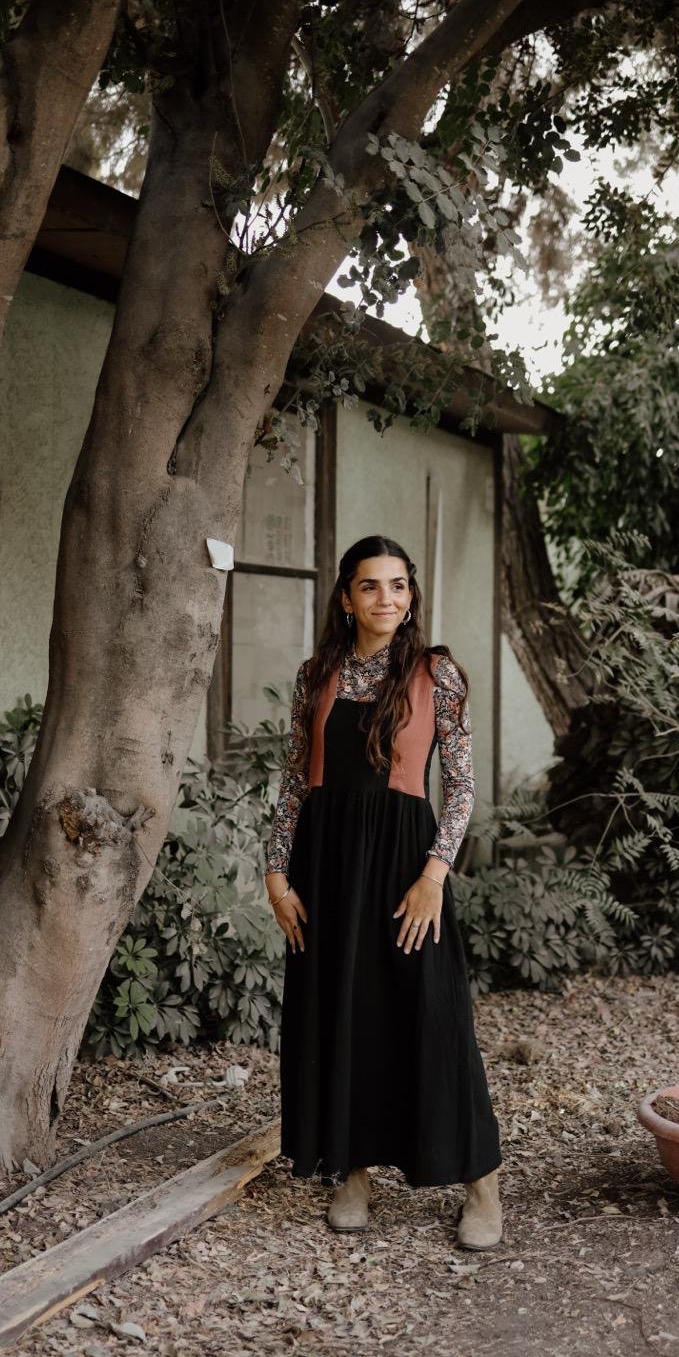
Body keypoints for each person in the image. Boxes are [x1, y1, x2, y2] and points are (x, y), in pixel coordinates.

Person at [264, 534, 503, 1249]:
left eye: (398, 585)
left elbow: (461, 786)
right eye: (370, 586)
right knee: (344, 1010)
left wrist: (433, 875)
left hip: (405, 865)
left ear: (411, 595)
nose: (386, 598)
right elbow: (292, 781)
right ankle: (353, 1171)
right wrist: (275, 872)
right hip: (327, 863)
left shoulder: (436, 673)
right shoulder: (317, 674)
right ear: (346, 597)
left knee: (434, 1014)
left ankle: (481, 1184)